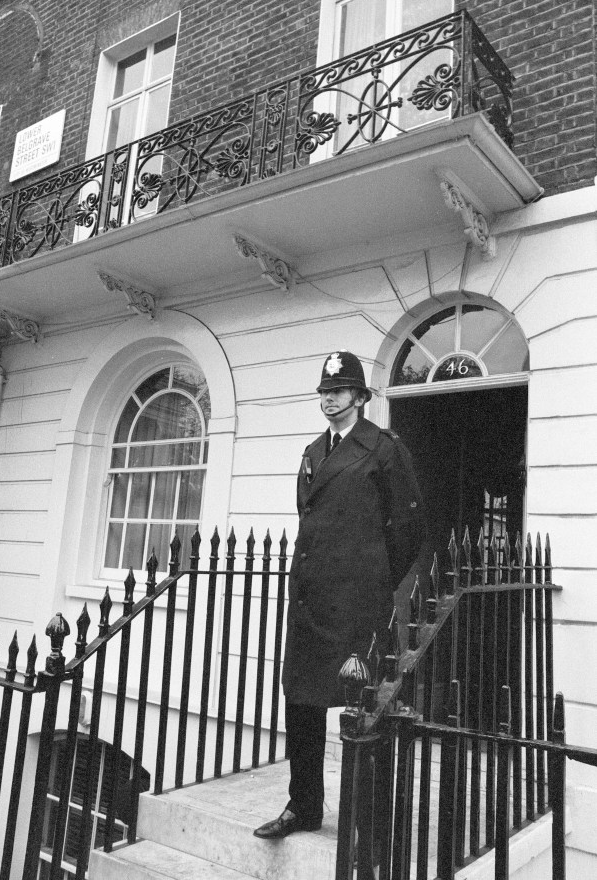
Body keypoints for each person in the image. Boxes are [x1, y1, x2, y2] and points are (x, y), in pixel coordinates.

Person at [254, 350, 424, 840]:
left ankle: (372, 818)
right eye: (324, 392)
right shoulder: (313, 451)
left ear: (360, 397)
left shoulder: (384, 449)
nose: (329, 401)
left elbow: (410, 529)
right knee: (302, 705)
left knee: (366, 708)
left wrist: (373, 578)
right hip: (310, 601)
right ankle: (302, 806)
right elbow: (309, 520)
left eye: (339, 391)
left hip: (357, 602)